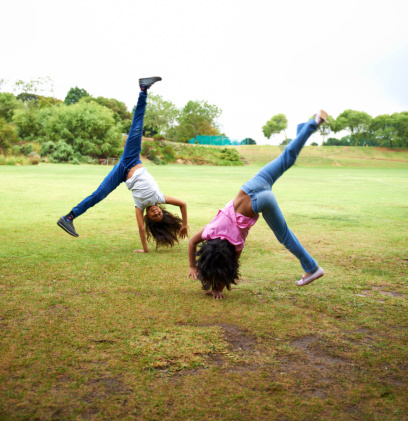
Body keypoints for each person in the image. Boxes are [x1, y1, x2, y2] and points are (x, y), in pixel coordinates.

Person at [188, 111, 327, 298]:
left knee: (285, 235)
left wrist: (217, 289)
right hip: (252, 185)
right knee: (288, 157)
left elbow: (230, 268)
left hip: (260, 202)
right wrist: (191, 264)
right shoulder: (210, 231)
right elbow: (192, 242)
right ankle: (311, 124)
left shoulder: (236, 245)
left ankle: (312, 267)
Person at [57, 77, 188, 252]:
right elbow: (183, 204)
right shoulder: (159, 198)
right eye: (159, 214)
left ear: (148, 216)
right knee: (136, 128)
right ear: (162, 211)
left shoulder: (140, 207)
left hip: (121, 172)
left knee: (99, 194)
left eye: (153, 216)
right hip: (131, 160)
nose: (156, 212)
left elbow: (141, 228)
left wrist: (145, 249)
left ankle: (69, 217)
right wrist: (184, 224)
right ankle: (143, 90)